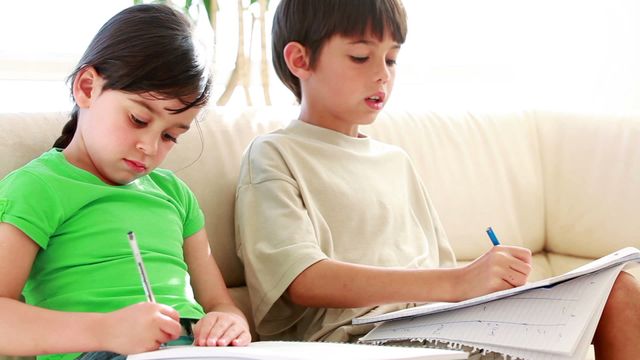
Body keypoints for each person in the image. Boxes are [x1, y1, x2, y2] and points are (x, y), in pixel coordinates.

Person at [233, 0, 640, 359]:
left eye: (391, 59)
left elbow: (442, 279)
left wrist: (489, 286)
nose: (382, 75)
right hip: (358, 339)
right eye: (361, 57)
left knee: (620, 292)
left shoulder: (396, 161)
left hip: (436, 326)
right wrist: (459, 281)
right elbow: (302, 280)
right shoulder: (274, 154)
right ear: (300, 60)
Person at [0, 4, 250, 360]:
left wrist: (228, 322)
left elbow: (221, 304)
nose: (149, 147)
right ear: (87, 87)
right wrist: (106, 330)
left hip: (191, 350)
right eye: (137, 119)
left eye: (170, 137)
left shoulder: (174, 194)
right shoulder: (37, 187)